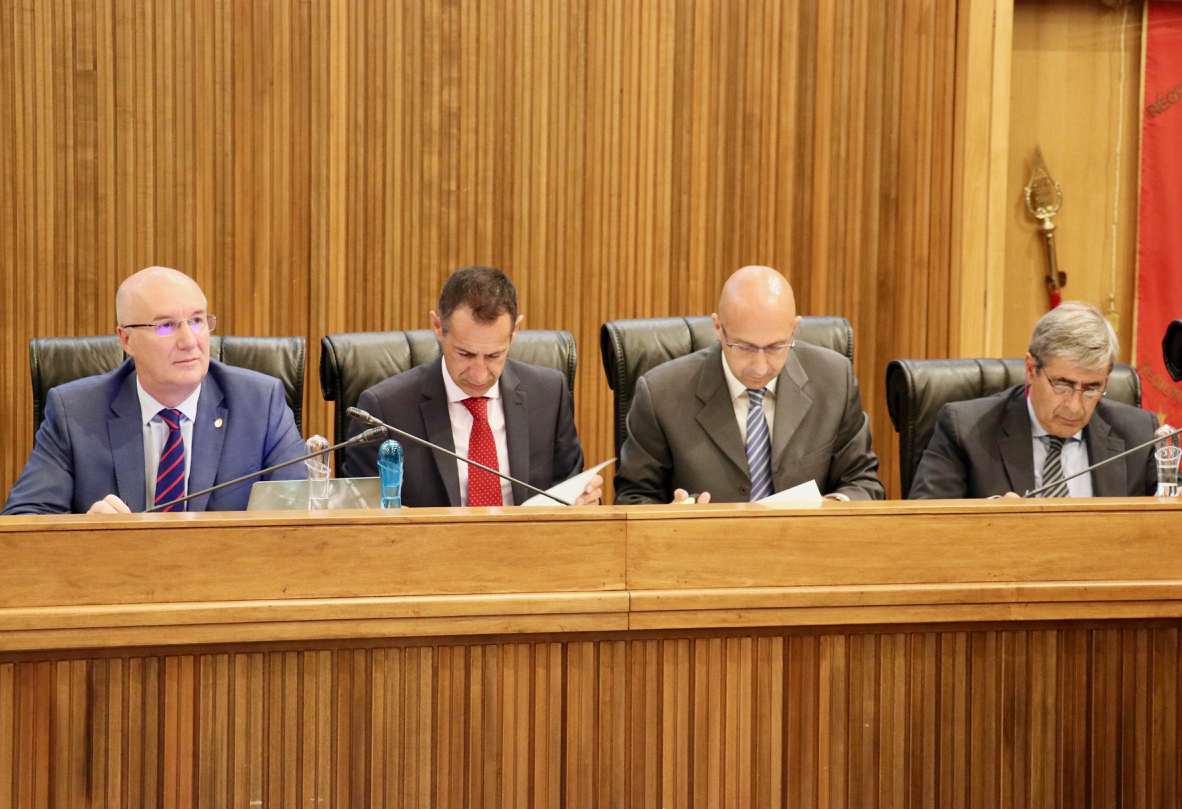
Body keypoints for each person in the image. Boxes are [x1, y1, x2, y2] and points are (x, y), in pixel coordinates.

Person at [2, 267, 307, 515]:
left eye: (197, 321)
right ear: (126, 340)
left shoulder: (261, 403)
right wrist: (86, 534)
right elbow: (22, 522)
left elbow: (301, 517)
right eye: (166, 326)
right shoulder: (75, 412)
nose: (189, 341)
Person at [613, 265, 884, 504]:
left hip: (805, 544)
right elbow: (633, 497)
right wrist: (670, 519)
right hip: (704, 545)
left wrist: (832, 505)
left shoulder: (834, 379)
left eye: (776, 347)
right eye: (745, 347)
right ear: (718, 328)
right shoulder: (661, 393)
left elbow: (862, 481)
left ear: (794, 329)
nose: (760, 367)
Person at [343, 266, 602, 507]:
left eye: (494, 356)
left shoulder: (548, 394)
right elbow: (357, 514)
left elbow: (572, 495)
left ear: (514, 332)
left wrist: (586, 503)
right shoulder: (384, 411)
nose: (479, 375)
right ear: (438, 327)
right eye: (465, 354)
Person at [908, 301, 1158, 499]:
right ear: (1031, 369)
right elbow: (926, 529)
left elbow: (1171, 520)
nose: (1074, 406)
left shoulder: (1139, 435)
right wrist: (988, 522)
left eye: (1092, 388)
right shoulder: (966, 431)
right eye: (1062, 385)